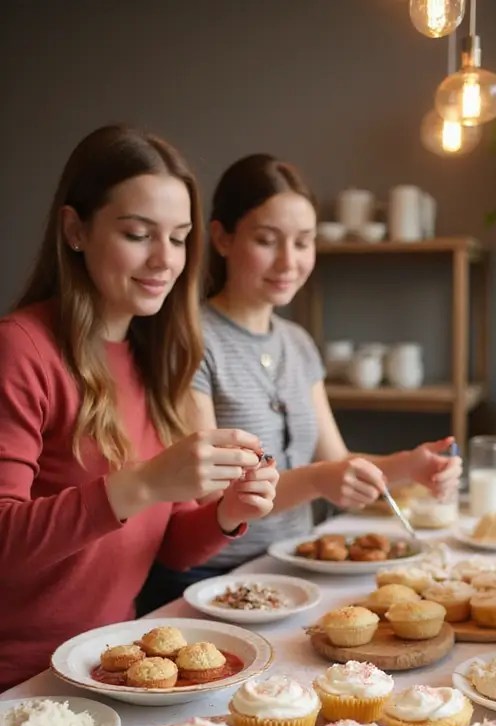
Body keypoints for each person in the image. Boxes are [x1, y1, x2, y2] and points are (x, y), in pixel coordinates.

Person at [0, 125, 279, 690]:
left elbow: (170, 547)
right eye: (137, 234)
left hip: (114, 661)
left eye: (178, 238)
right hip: (23, 678)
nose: (164, 260)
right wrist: (144, 483)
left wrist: (227, 512)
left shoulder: (155, 357)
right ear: (75, 230)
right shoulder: (21, 348)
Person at [137, 153, 461, 611]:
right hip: (212, 581)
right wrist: (317, 480)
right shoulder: (190, 340)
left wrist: (409, 465)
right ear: (222, 238)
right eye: (267, 240)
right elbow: (212, 495)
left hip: (291, 568)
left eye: (304, 242)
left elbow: (335, 462)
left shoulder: (298, 343)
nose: (289, 261)